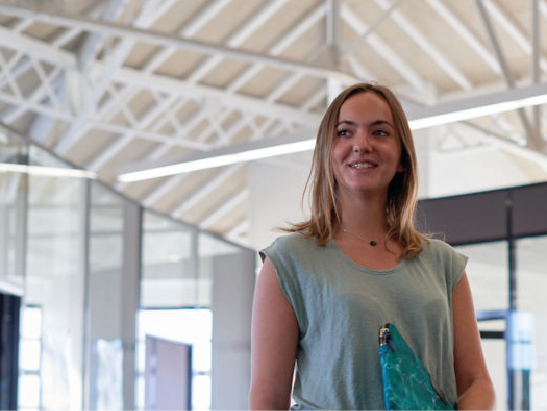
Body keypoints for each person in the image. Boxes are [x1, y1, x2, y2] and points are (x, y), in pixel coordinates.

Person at [249, 83, 495, 410]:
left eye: (380, 133)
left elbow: (476, 381)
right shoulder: (288, 263)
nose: (361, 144)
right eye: (345, 132)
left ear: (403, 159)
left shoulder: (444, 266)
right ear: (328, 153)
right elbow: (267, 400)